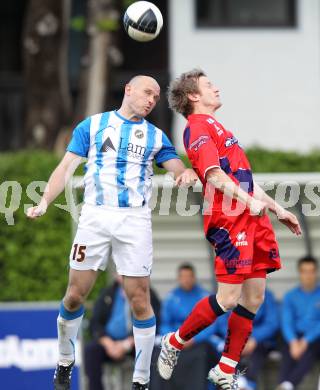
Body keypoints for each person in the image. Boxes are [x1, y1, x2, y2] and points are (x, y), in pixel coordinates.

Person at [26, 75, 198, 390]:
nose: (152, 100)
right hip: (95, 216)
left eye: (157, 97)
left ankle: (141, 380)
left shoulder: (155, 137)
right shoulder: (92, 126)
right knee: (75, 295)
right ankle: (65, 359)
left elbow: (176, 165)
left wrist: (184, 172)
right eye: (148, 92)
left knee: (139, 298)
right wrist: (44, 201)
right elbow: (65, 168)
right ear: (128, 90)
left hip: (134, 220)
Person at [157, 69, 302, 390]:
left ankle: (225, 367)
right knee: (228, 298)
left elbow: (243, 179)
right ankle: (175, 342)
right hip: (229, 217)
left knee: (254, 297)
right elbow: (213, 175)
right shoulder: (197, 128)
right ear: (194, 96)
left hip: (251, 217)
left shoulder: (219, 127)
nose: (216, 88)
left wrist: (278, 209)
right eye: (209, 85)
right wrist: (245, 202)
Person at [85, 275, 160, 390]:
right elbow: (95, 323)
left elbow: (154, 323)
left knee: (153, 352)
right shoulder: (107, 293)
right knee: (91, 350)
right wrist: (108, 342)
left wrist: (127, 344)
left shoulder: (148, 294)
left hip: (135, 342)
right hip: (110, 343)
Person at [151, 263, 218, 390]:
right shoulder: (171, 298)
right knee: (156, 354)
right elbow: (165, 324)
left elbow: (212, 325)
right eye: (183, 277)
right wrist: (176, 339)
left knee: (203, 355)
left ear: (194, 278)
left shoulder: (204, 297)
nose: (186, 280)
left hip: (197, 341)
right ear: (179, 278)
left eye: (189, 276)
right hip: (175, 341)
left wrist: (194, 339)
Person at [207, 289, 280, 390]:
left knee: (256, 353)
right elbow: (221, 322)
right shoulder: (226, 293)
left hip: (258, 342)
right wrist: (237, 339)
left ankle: (247, 385)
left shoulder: (266, 295)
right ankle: (239, 383)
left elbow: (272, 323)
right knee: (221, 350)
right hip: (232, 339)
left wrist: (253, 338)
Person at [276, 256, 320, 390]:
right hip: (294, 336)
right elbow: (286, 321)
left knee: (310, 349)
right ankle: (285, 384)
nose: (308, 275)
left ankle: (287, 384)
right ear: (299, 273)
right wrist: (294, 342)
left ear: (316, 272)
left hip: (314, 337)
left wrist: (306, 340)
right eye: (304, 271)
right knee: (287, 348)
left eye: (311, 271)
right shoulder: (290, 296)